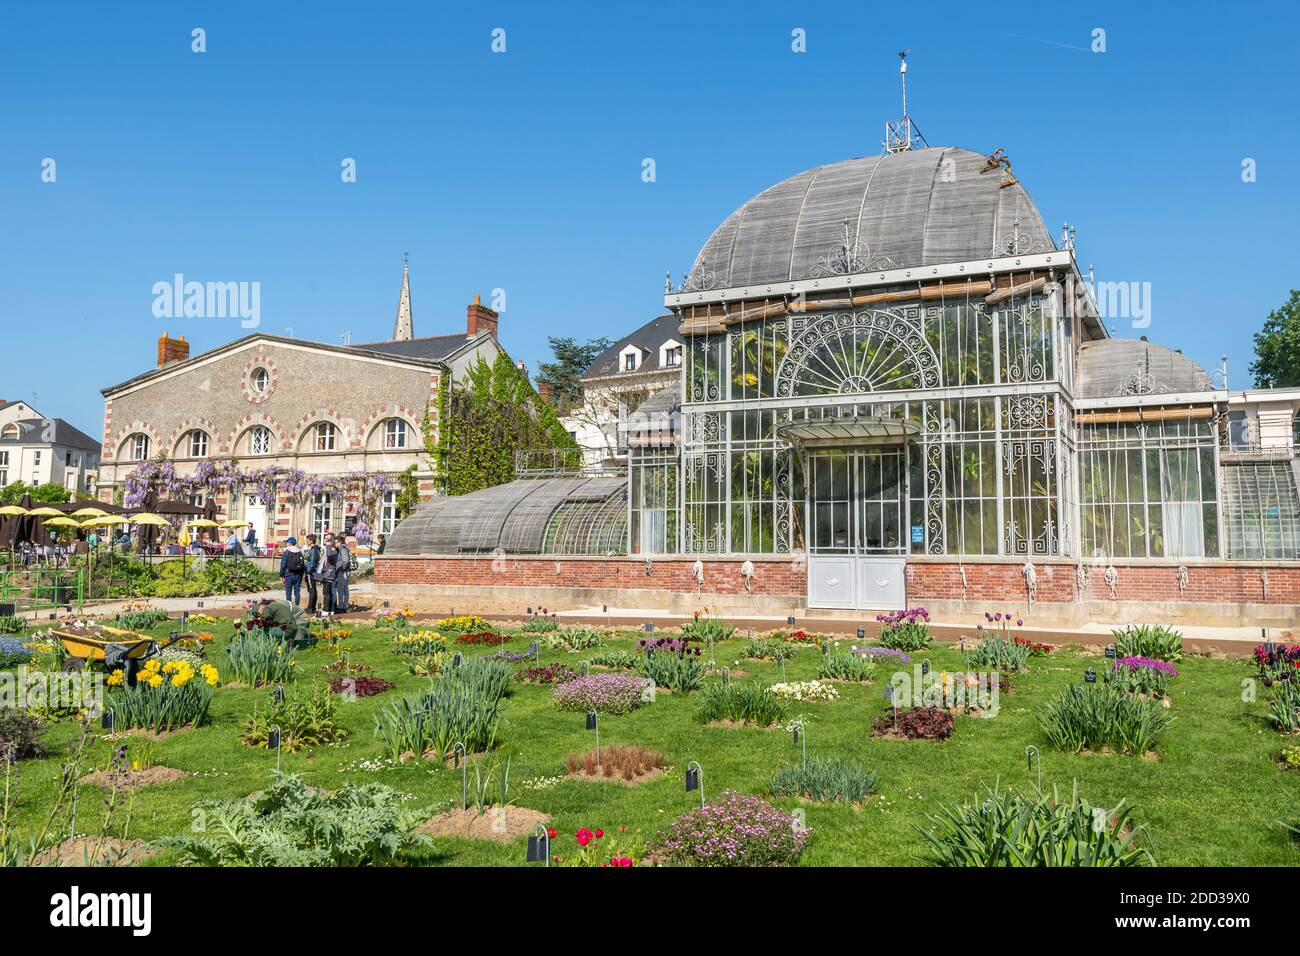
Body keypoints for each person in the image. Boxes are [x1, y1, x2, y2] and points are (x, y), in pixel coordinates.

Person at [279, 536, 306, 605]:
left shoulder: (287, 552)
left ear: (290, 543)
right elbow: (302, 565)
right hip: (298, 575)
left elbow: (283, 565)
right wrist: (301, 575)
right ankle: (297, 606)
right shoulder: (299, 552)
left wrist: (281, 574)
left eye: (287, 542)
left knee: (288, 592)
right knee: (297, 592)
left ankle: (290, 607)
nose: (286, 543)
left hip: (288, 574)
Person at [332, 535, 353, 613]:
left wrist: (342, 568)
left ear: (339, 542)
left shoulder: (343, 549)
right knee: (345, 589)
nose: (335, 544)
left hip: (342, 571)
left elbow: (346, 560)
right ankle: (345, 605)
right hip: (345, 571)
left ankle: (341, 606)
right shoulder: (344, 549)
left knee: (340, 589)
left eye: (336, 542)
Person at [317, 536, 338, 614]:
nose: (325, 544)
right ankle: (330, 609)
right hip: (327, 574)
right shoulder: (331, 551)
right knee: (327, 592)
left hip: (329, 574)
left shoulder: (333, 552)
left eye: (326, 542)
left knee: (327, 593)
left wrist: (328, 545)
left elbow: (329, 555)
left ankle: (326, 609)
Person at [303, 534, 321, 613]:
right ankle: (312, 607)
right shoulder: (313, 549)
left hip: (311, 573)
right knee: (313, 589)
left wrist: (309, 571)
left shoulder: (314, 550)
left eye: (307, 540)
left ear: (311, 541)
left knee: (312, 590)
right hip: (312, 572)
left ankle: (310, 607)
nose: (306, 541)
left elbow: (313, 562)